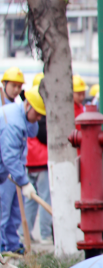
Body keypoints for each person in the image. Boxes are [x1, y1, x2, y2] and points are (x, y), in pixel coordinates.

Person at [0, 87, 46, 254]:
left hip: (6, 172)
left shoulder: (22, 117)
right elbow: (10, 156)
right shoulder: (13, 122)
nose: (39, 118)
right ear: (28, 105)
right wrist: (24, 182)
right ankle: (2, 250)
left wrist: (32, 121)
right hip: (6, 168)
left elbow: (32, 133)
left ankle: (12, 246)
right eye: (37, 114)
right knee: (2, 213)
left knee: (14, 212)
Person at [23, 99, 50, 244]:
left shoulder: (26, 117)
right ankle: (45, 234)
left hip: (29, 161)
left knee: (30, 199)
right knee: (44, 197)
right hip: (40, 161)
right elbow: (43, 136)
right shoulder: (39, 115)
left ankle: (24, 233)